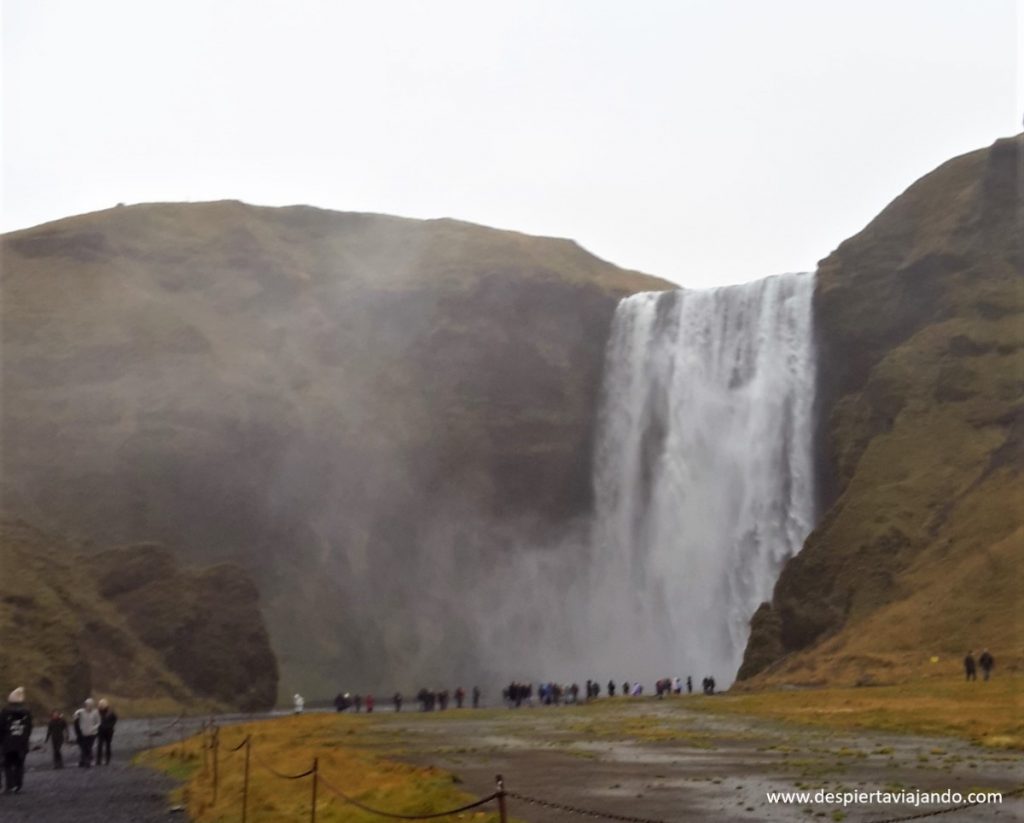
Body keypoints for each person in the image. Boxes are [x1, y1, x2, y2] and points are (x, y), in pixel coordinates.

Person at [1, 688, 32, 793]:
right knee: (19, 764)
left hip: (8, 743)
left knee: (8, 764)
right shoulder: (27, 712)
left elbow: (1, 727)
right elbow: (29, 728)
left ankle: (9, 786)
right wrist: (26, 740)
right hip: (22, 743)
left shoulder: (5, 711)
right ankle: (18, 785)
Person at [74, 698, 101, 767]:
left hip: (92, 733)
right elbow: (75, 716)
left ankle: (87, 761)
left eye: (89, 705)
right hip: (84, 733)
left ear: (92, 705)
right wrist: (76, 717)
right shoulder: (81, 712)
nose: (87, 706)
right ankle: (83, 760)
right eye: (86, 705)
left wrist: (94, 728)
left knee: (89, 747)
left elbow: (99, 722)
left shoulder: (96, 712)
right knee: (84, 747)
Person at [96, 699, 117, 765]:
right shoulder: (97, 713)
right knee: (100, 745)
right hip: (101, 731)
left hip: (108, 731)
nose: (101, 706)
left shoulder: (110, 713)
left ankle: (107, 760)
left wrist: (111, 725)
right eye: (100, 705)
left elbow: (115, 719)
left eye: (102, 704)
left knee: (107, 745)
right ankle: (99, 760)